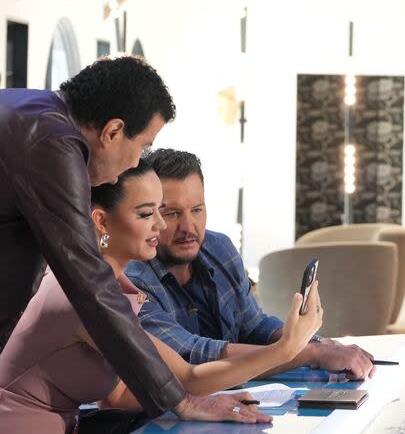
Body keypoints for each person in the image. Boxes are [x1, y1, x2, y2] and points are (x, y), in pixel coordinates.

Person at [0, 54, 254, 423]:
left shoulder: (33, 110)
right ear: (113, 132)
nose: (137, 161)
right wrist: (180, 402)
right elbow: (89, 284)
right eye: (143, 145)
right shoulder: (53, 144)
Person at [0, 160, 320, 432]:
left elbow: (126, 391)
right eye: (145, 213)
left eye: (158, 211)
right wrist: (286, 349)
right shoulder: (85, 294)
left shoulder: (103, 283)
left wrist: (193, 402)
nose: (160, 224)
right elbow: (186, 375)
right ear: (101, 221)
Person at [126, 149, 376, 380]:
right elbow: (192, 355)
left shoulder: (219, 247)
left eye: (197, 210)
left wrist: (317, 343)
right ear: (151, 214)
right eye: (171, 213)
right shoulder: (132, 277)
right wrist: (311, 354)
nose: (188, 227)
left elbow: (254, 325)